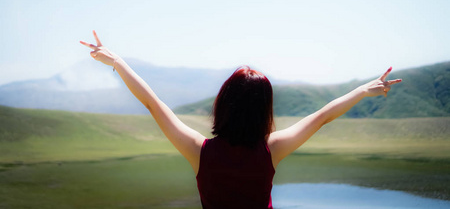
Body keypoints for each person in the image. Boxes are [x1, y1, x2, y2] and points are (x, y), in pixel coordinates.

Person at [80, 30, 402, 209]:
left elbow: (152, 103)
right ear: (265, 110)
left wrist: (118, 61)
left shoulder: (200, 151)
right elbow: (321, 118)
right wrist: (363, 90)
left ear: (224, 103)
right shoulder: (271, 150)